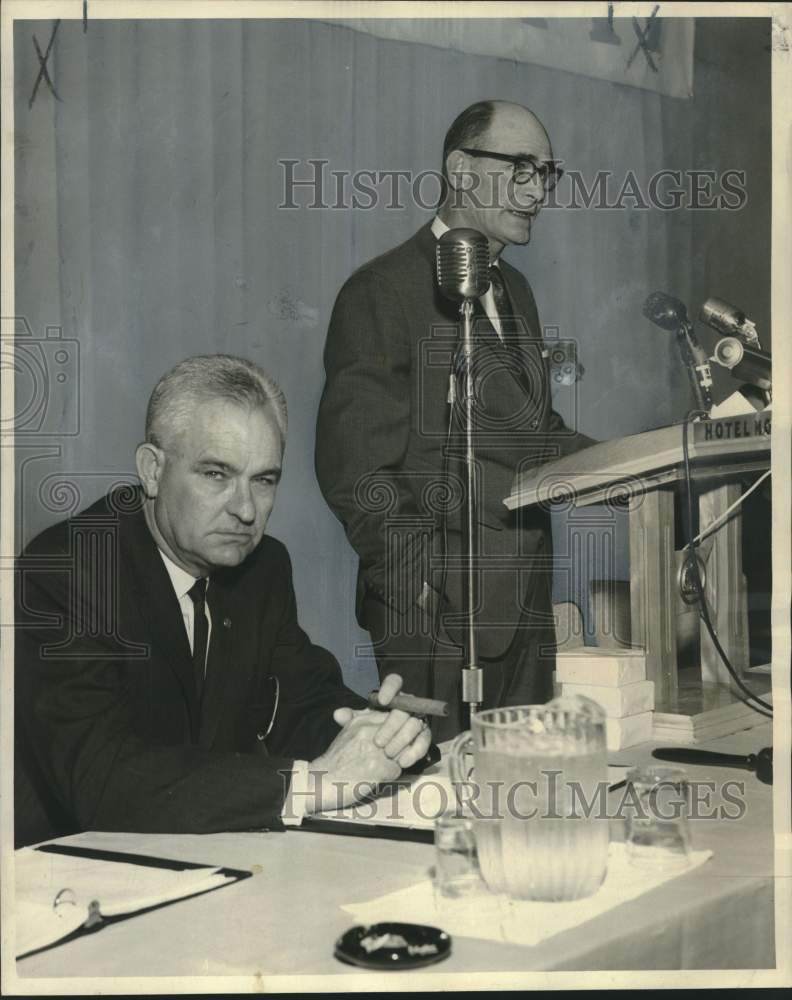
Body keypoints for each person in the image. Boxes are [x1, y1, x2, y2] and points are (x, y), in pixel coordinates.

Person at [14, 355, 431, 847]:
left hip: (208, 852)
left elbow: (302, 700)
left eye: (264, 479)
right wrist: (314, 784)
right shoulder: (67, 570)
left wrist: (384, 733)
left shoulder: (262, 567)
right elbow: (101, 779)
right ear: (152, 469)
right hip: (77, 868)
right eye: (216, 474)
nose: (246, 509)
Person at [315, 100, 594, 739]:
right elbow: (354, 469)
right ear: (461, 169)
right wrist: (419, 592)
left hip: (523, 611)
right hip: (435, 622)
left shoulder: (513, 288)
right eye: (520, 167)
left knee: (511, 798)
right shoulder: (381, 292)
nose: (536, 191)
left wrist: (642, 458)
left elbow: (536, 432)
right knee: (434, 805)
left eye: (547, 173)